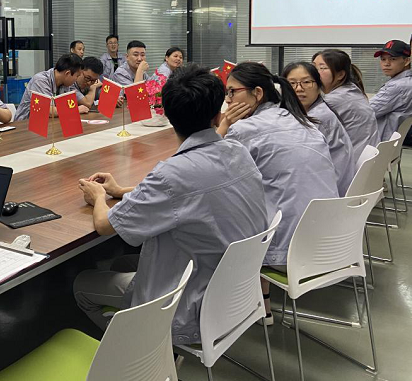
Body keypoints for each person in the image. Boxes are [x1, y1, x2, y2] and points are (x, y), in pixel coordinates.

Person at [73, 64, 267, 346]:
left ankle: (142, 353)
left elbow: (104, 224)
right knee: (121, 262)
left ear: (167, 115)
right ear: (218, 115)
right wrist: (122, 190)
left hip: (188, 307)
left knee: (82, 283)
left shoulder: (172, 174)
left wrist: (99, 196)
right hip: (236, 295)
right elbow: (189, 191)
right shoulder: (238, 151)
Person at [217, 62, 338, 323]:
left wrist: (224, 125)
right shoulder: (304, 122)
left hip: (289, 254)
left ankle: (231, 308)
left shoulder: (245, 130)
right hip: (331, 246)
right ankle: (263, 304)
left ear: (258, 93)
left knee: (224, 210)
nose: (228, 100)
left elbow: (210, 176)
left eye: (232, 92)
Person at [282, 61, 356, 195]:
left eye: (306, 82)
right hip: (332, 184)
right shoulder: (314, 110)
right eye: (292, 83)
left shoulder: (317, 118)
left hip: (327, 191)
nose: (299, 88)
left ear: (318, 85)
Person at [313, 49, 379, 159]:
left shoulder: (334, 100)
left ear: (340, 75)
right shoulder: (352, 90)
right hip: (366, 158)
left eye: (322, 68)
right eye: (313, 67)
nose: (314, 73)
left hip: (351, 160)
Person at [370, 40, 412, 142]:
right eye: (383, 59)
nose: (386, 63)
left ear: (406, 61)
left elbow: (365, 113)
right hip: (392, 143)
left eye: (393, 59)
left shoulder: (397, 87)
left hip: (379, 142)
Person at [13, 54, 84, 121]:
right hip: (25, 124)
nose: (76, 80)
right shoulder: (40, 80)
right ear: (67, 73)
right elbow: (48, 111)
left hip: (50, 123)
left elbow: (65, 108)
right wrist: (75, 110)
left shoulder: (65, 84)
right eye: (77, 76)